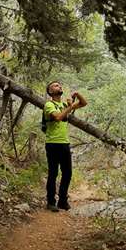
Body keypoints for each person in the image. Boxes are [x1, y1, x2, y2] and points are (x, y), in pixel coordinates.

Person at [44, 81, 87, 212]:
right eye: (56, 86)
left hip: (64, 143)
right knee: (53, 173)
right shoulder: (49, 104)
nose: (59, 87)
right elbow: (57, 117)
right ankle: (51, 202)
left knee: (67, 173)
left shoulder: (64, 104)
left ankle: (63, 200)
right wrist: (70, 107)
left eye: (60, 85)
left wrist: (77, 94)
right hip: (52, 143)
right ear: (50, 91)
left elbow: (84, 103)